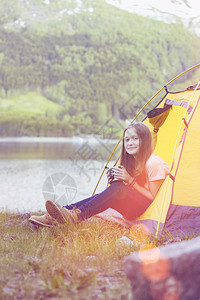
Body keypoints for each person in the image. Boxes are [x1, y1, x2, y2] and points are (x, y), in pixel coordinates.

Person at [29, 122, 169, 228]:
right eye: (126, 140)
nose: (130, 143)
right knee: (116, 188)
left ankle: (74, 216)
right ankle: (60, 213)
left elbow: (153, 199)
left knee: (118, 189)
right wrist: (117, 181)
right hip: (132, 206)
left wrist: (129, 181)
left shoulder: (155, 163)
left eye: (134, 139)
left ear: (144, 140)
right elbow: (132, 191)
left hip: (147, 210)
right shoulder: (134, 162)